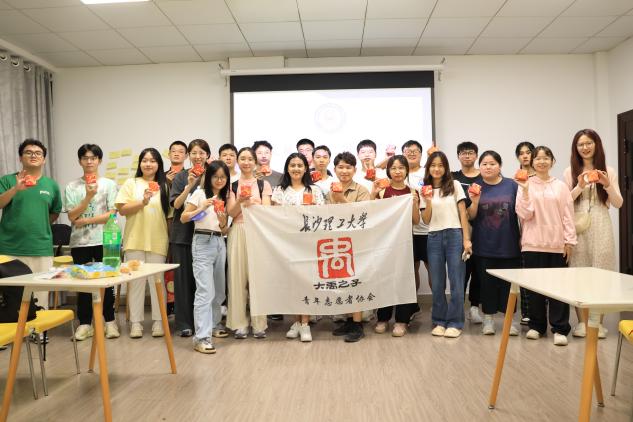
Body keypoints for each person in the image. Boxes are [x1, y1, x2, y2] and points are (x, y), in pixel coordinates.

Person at [564, 129, 623, 339]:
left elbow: (618, 203)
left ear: (596, 144)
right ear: (576, 148)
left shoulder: (609, 170)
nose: (585, 147)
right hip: (578, 224)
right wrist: (579, 186)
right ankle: (582, 323)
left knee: (602, 270)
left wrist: (607, 185)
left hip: (601, 222)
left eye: (589, 143)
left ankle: (597, 323)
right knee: (579, 271)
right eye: (581, 144)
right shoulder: (569, 171)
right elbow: (565, 203)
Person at [515, 146, 576, 346]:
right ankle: (536, 326)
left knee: (559, 289)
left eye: (546, 158)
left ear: (552, 161)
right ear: (531, 162)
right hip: (532, 244)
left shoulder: (561, 186)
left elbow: (568, 215)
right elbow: (524, 214)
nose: (542, 161)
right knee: (535, 289)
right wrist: (525, 191)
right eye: (538, 158)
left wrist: (569, 241)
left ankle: (560, 328)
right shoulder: (525, 184)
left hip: (557, 244)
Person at [64, 144, 119, 341]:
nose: (89, 161)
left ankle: (110, 322)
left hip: (107, 239)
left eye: (93, 158)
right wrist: (88, 196)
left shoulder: (109, 185)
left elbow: (112, 215)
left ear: (99, 160)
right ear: (80, 161)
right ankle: (85, 324)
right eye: (85, 158)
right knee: (83, 284)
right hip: (80, 241)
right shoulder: (72, 187)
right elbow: (72, 216)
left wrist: (86, 221)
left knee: (108, 282)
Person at [0, 139, 61, 310]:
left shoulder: (51, 185)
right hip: (9, 249)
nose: (33, 155)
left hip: (40, 249)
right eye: (28, 152)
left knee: (40, 298)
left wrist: (38, 224)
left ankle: (39, 327)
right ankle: (15, 328)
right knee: (12, 300)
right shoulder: (7, 180)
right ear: (20, 158)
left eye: (38, 153)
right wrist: (15, 189)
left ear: (44, 159)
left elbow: (55, 212)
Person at [115, 148, 169, 338]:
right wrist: (143, 201)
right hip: (134, 240)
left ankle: (159, 322)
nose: (148, 164)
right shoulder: (131, 183)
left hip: (158, 240)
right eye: (145, 160)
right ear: (139, 163)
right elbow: (122, 210)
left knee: (157, 283)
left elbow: (169, 216)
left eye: (153, 161)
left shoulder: (165, 185)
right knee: (136, 283)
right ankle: (135, 323)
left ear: (158, 164)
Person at [271, 153, 325, 342]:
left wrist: (311, 209)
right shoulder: (279, 190)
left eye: (300, 165)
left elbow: (322, 216)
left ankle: (305, 324)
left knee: (306, 282)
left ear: (305, 168)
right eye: (292, 165)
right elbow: (274, 216)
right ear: (287, 168)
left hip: (308, 242)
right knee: (293, 283)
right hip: (287, 243)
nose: (296, 168)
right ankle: (297, 322)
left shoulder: (315, 190)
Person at [466, 151, 521, 336]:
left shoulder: (512, 185)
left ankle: (509, 321)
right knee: (486, 285)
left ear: (500, 166)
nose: (488, 167)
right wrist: (474, 202)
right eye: (484, 164)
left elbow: (521, 213)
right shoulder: (475, 186)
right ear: (479, 167)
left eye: (492, 163)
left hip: (509, 244)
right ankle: (488, 320)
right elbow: (470, 216)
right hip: (484, 244)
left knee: (509, 286)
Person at [181, 160, 232, 354]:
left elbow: (224, 229)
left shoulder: (225, 197)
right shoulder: (200, 193)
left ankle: (215, 324)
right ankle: (201, 338)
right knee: (205, 291)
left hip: (219, 241)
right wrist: (202, 207)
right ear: (209, 177)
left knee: (219, 290)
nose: (219, 180)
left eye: (223, 177)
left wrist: (223, 222)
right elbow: (184, 217)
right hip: (202, 242)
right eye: (215, 176)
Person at [421, 150, 471, 338]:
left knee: (457, 281)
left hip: (454, 235)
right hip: (433, 236)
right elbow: (426, 220)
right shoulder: (424, 188)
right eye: (433, 165)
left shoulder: (455, 185)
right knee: (437, 282)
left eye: (440, 165)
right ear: (428, 168)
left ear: (446, 168)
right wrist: (428, 201)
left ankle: (456, 322)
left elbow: (463, 214)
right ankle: (439, 321)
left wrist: (466, 239)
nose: (437, 169)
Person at [371, 155, 421, 337]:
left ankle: (402, 320)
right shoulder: (383, 191)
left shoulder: (412, 191)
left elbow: (416, 220)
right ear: (388, 171)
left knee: (404, 279)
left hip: (406, 241)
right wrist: (373, 194)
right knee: (384, 278)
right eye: (393, 168)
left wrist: (414, 203)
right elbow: (372, 215)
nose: (397, 171)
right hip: (385, 242)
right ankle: (383, 318)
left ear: (407, 170)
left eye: (401, 168)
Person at [226, 147, 272, 339]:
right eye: (242, 159)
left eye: (249, 159)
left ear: (255, 162)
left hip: (258, 232)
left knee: (258, 278)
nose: (246, 162)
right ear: (238, 162)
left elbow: (268, 212)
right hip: (238, 230)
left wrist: (253, 203)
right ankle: (239, 324)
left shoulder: (263, 184)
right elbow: (231, 213)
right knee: (237, 278)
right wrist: (240, 201)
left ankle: (259, 324)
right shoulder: (232, 185)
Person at [326, 152, 371, 342]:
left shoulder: (362, 190)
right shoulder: (330, 191)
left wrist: (341, 199)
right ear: (335, 169)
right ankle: (349, 320)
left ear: (355, 169)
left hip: (357, 243)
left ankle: (358, 324)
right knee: (342, 281)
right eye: (340, 167)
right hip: (337, 242)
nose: (344, 171)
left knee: (355, 281)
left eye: (348, 167)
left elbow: (362, 216)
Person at [169, 139, 210, 337]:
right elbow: (176, 205)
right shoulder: (180, 176)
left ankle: (204, 322)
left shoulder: (213, 174)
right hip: (183, 235)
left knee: (204, 282)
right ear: (189, 156)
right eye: (194, 153)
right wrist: (189, 185)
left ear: (208, 155)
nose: (198, 156)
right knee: (183, 281)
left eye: (202, 153)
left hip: (206, 235)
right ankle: (184, 323)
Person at [451, 141, 483, 325]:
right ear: (458, 156)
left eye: (471, 152)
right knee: (460, 270)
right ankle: (457, 308)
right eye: (463, 153)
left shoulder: (485, 175)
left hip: (482, 229)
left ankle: (474, 308)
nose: (467, 156)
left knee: (478, 269)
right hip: (459, 229)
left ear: (476, 155)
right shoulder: (453, 177)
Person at [402, 140, 430, 308]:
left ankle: (438, 305)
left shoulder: (428, 172)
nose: (412, 153)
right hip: (406, 230)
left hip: (427, 229)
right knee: (411, 271)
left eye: (415, 151)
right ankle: (413, 306)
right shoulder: (398, 172)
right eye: (408, 151)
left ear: (421, 154)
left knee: (432, 268)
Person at [514, 141, 536, 325]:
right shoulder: (515, 179)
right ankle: (527, 312)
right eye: (521, 153)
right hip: (521, 231)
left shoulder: (541, 177)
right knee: (524, 272)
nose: (525, 156)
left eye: (528, 152)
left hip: (540, 230)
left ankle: (541, 312)